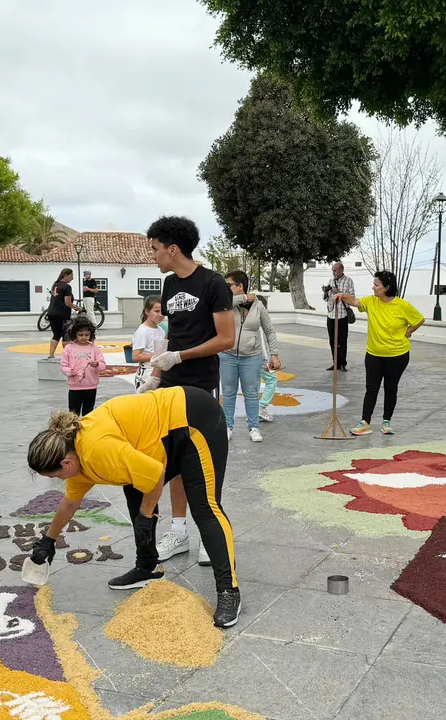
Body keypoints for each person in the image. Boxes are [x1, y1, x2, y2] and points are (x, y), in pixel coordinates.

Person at [24, 387, 242, 627]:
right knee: (135, 490)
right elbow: (70, 503)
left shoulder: (97, 450)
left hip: (194, 420)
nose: (59, 481)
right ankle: (147, 567)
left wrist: (146, 516)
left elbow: (155, 474)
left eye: (56, 476)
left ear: (66, 463)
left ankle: (228, 590)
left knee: (205, 507)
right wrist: (48, 540)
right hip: (160, 438)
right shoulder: (74, 455)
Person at [136, 217, 239, 567]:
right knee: (172, 459)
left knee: (203, 460)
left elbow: (227, 338)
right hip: (170, 384)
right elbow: (172, 335)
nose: (153, 256)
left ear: (172, 249)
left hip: (201, 385)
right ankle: (178, 530)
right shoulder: (167, 284)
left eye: (155, 249)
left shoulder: (212, 284)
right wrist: (157, 371)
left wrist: (181, 356)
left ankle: (209, 533)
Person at [333, 270, 424, 436]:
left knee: (391, 388)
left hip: (397, 355)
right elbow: (354, 301)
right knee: (371, 387)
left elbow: (419, 319)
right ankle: (365, 422)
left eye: (376, 285)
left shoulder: (402, 306)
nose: (373, 288)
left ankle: (386, 422)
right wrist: (341, 295)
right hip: (374, 354)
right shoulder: (371, 301)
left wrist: (409, 332)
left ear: (386, 287)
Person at [220, 270, 281, 442]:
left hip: (252, 356)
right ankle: (227, 427)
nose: (226, 288)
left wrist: (274, 354)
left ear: (240, 286)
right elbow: (220, 304)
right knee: (229, 392)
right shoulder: (226, 303)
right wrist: (245, 298)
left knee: (251, 393)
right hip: (227, 355)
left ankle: (254, 427)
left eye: (229, 285)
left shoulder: (258, 306)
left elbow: (269, 330)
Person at [61, 315, 106, 417]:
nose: (84, 337)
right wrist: (69, 371)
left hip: (91, 386)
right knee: (73, 414)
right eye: (80, 335)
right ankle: (73, 432)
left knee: (89, 413)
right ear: (74, 334)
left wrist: (97, 365)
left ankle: (87, 432)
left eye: (87, 335)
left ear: (91, 334)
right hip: (74, 388)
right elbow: (63, 366)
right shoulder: (69, 348)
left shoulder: (94, 348)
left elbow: (103, 365)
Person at [322, 261, 354, 372]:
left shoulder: (348, 281)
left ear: (341, 270)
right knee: (332, 341)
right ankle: (335, 363)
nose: (333, 272)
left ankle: (342, 363)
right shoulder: (330, 281)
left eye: (335, 270)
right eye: (332, 270)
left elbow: (352, 298)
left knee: (342, 340)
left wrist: (339, 292)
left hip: (342, 315)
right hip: (331, 314)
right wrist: (326, 292)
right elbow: (326, 299)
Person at [44, 268, 81, 359]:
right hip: (62, 314)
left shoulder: (55, 285)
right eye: (71, 276)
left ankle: (51, 354)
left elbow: (59, 298)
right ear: (66, 275)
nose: (72, 279)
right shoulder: (67, 287)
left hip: (51, 312)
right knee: (65, 335)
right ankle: (67, 357)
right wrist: (77, 308)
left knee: (56, 334)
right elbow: (67, 302)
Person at [131, 295, 165, 391]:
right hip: (147, 374)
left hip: (159, 372)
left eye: (162, 311)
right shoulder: (142, 331)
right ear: (147, 311)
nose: (160, 314)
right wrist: (158, 356)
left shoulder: (161, 330)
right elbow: (136, 356)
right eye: (156, 311)